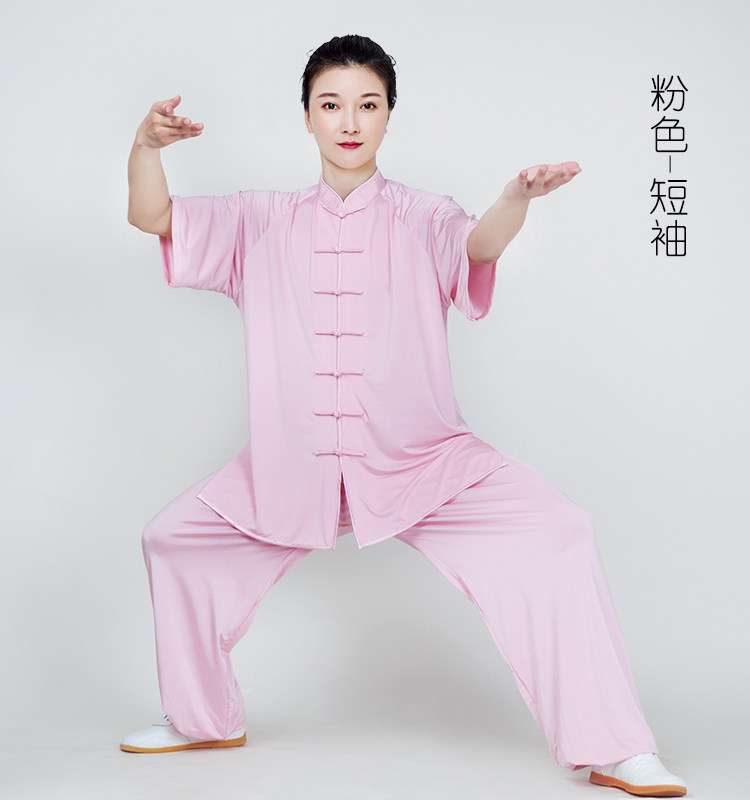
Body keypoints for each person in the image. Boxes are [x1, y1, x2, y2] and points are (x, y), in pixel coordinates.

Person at [121, 34, 687, 798]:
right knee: (174, 539)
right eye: (331, 105)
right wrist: (146, 147)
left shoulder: (424, 216)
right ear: (307, 116)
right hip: (292, 469)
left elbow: (478, 244)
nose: (349, 121)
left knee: (560, 530)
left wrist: (515, 199)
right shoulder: (259, 219)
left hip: (420, 464)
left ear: (389, 114)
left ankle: (616, 747)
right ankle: (202, 718)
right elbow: (152, 215)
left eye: (368, 104)